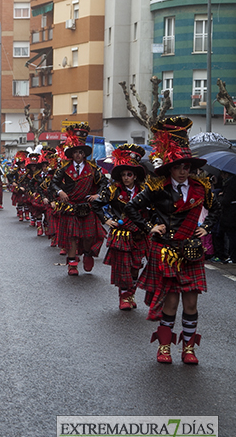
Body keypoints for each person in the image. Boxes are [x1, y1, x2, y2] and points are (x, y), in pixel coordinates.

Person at [125, 116, 220, 365]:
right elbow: (132, 208)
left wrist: (206, 227)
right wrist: (149, 227)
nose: (183, 171)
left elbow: (216, 210)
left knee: (191, 302)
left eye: (187, 166)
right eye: (178, 166)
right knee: (171, 301)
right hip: (166, 249)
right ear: (170, 168)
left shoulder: (202, 188)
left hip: (190, 250)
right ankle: (164, 347)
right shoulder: (157, 187)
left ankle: (188, 349)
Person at [92, 144, 148, 310]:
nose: (126, 178)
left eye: (129, 174)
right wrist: (106, 220)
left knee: (136, 266)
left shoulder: (146, 191)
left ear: (136, 175)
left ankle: (130, 294)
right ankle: (123, 297)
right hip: (121, 234)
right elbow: (96, 205)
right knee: (123, 267)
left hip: (140, 233)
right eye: (123, 174)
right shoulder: (112, 190)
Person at [50, 123, 107, 276]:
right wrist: (60, 191)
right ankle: (72, 264)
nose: (78, 155)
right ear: (72, 154)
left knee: (88, 236)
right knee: (72, 236)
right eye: (75, 152)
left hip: (87, 206)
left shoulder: (93, 169)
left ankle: (88, 254)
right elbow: (53, 183)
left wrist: (98, 195)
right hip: (70, 205)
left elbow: (103, 183)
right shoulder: (63, 168)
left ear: (84, 154)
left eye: (81, 152)